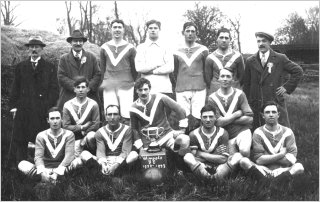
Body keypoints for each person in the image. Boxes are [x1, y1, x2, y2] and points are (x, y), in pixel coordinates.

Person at [129, 78, 213, 179]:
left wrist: (182, 130)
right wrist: (140, 146)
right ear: (136, 91)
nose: (143, 92)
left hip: (166, 134)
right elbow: (134, 128)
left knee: (184, 140)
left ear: (149, 89)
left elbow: (180, 109)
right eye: (140, 90)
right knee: (143, 163)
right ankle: (163, 172)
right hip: (148, 141)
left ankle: (184, 169)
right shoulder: (133, 107)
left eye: (145, 89)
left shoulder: (160, 97)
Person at [9, 36, 59, 167]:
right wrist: (14, 106)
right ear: (28, 49)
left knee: (40, 136)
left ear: (42, 49)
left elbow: (54, 89)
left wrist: (47, 106)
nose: (34, 50)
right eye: (31, 47)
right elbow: (15, 87)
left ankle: (42, 165)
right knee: (21, 138)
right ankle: (21, 166)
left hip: (42, 109)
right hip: (24, 108)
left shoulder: (49, 67)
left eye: (37, 47)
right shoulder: (21, 67)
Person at [243, 31, 303, 131]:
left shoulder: (280, 58)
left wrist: (286, 87)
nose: (261, 44)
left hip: (274, 99)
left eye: (264, 41)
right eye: (258, 41)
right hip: (256, 101)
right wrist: (247, 103)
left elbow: (298, 71)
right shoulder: (250, 60)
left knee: (280, 131)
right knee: (258, 132)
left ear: (269, 43)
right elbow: (247, 84)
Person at [240, 101, 304, 183]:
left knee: (299, 167)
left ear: (278, 115)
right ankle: (277, 182)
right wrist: (281, 154)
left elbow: (290, 160)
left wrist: (266, 157)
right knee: (243, 161)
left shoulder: (288, 132)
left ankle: (267, 182)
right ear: (263, 115)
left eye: (274, 112)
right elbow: (259, 160)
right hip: (264, 169)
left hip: (282, 170)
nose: (271, 114)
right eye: (267, 112)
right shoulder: (258, 132)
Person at [17, 107, 83, 184]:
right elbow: (38, 157)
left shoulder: (69, 134)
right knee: (22, 164)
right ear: (48, 120)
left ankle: (48, 180)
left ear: (62, 119)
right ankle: (51, 179)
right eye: (52, 118)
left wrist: (58, 171)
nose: (55, 121)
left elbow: (69, 156)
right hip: (45, 169)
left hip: (62, 169)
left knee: (79, 161)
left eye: (57, 118)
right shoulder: (41, 135)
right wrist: (43, 171)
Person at [208, 68, 253, 161]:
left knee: (244, 151)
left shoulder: (240, 94)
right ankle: (238, 159)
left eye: (228, 76)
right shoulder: (212, 98)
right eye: (222, 76)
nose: (225, 79)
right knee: (229, 160)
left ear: (233, 80)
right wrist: (236, 115)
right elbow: (218, 123)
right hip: (225, 135)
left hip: (241, 131)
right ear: (218, 79)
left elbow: (249, 119)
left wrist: (225, 120)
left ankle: (247, 166)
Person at [81, 105, 138, 176]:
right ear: (106, 117)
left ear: (119, 116)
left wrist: (115, 165)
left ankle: (117, 171)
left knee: (134, 155)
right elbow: (100, 152)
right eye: (109, 114)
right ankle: (103, 170)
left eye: (115, 114)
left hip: (121, 160)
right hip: (106, 159)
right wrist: (103, 164)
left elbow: (125, 151)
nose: (112, 117)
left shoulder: (127, 129)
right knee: (84, 154)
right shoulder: (100, 131)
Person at [174, 22, 209, 134]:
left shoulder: (203, 49)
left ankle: (196, 140)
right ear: (183, 33)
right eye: (187, 31)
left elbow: (206, 70)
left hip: (199, 87)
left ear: (196, 34)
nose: (190, 34)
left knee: (198, 116)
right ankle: (183, 141)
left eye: (193, 31)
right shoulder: (176, 50)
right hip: (181, 87)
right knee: (182, 116)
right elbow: (174, 71)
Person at [100, 19, 137, 124]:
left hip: (126, 84)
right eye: (114, 27)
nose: (117, 30)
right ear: (110, 29)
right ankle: (111, 138)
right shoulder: (104, 47)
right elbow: (102, 69)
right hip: (109, 84)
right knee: (111, 113)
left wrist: (133, 82)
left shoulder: (130, 48)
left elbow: (135, 69)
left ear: (124, 30)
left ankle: (127, 138)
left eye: (119, 27)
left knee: (126, 114)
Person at [189, 105, 241, 180]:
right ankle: (209, 178)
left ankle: (213, 178)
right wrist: (215, 154)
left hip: (220, 166)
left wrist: (200, 153)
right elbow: (194, 158)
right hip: (202, 166)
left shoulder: (223, 133)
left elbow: (223, 159)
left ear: (215, 117)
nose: (208, 119)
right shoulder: (194, 134)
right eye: (205, 117)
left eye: (211, 116)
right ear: (201, 118)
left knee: (238, 156)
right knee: (188, 157)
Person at [57, 30, 101, 111]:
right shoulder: (64, 59)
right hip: (69, 96)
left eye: (80, 41)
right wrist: (76, 88)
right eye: (75, 41)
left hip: (89, 96)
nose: (78, 43)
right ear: (70, 42)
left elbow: (97, 74)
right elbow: (61, 76)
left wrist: (87, 88)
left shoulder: (91, 57)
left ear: (83, 42)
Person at [135, 19, 174, 98]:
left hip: (164, 88)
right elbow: (139, 68)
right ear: (147, 30)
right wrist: (157, 65)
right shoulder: (141, 48)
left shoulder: (166, 47)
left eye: (155, 28)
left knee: (164, 110)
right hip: (146, 89)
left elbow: (170, 67)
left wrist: (152, 71)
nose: (153, 30)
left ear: (159, 30)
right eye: (150, 28)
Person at [62, 76, 100, 157]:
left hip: (87, 138)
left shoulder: (93, 104)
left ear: (88, 89)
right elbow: (65, 126)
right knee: (76, 161)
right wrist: (82, 127)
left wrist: (85, 133)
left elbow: (96, 124)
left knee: (92, 136)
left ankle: (94, 155)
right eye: (78, 87)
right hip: (73, 138)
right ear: (74, 89)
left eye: (83, 87)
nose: (80, 90)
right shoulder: (67, 105)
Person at [205, 28, 245, 95]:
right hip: (215, 93)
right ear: (217, 39)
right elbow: (207, 79)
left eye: (226, 38)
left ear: (230, 40)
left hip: (233, 93)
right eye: (221, 37)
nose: (224, 40)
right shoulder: (210, 58)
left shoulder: (238, 56)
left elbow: (242, 77)